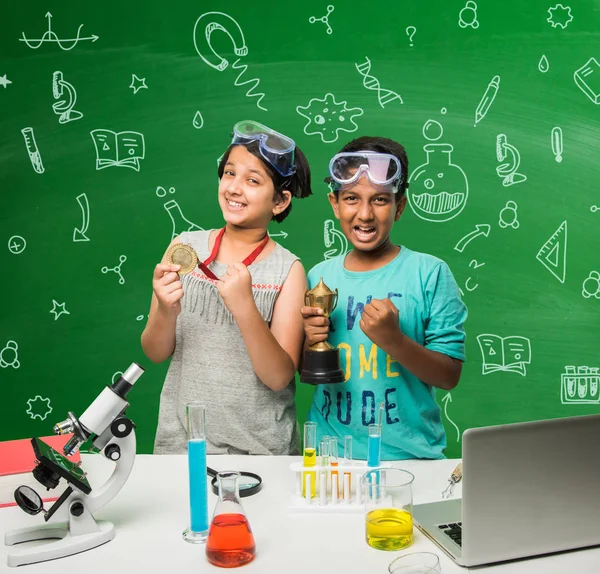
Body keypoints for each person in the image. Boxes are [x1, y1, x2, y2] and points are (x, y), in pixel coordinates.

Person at [143, 120, 312, 455]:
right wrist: (166, 309)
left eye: (252, 180)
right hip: (182, 449)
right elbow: (154, 351)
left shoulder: (288, 271)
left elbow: (279, 377)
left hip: (260, 454)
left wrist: (246, 308)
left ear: (279, 202)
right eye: (229, 173)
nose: (235, 187)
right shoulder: (184, 248)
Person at [301, 136, 467, 460]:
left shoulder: (430, 273)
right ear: (334, 204)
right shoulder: (316, 277)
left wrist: (394, 340)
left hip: (410, 458)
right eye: (351, 198)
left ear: (399, 206)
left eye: (379, 200)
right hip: (328, 457)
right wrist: (309, 342)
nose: (364, 214)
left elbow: (449, 376)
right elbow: (303, 372)